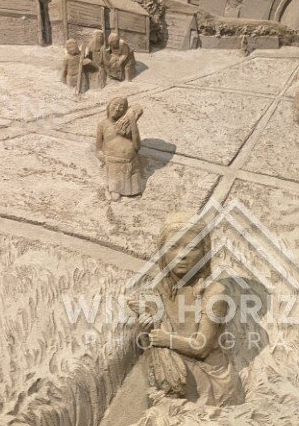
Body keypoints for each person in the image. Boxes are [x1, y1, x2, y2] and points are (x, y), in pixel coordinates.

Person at [137, 212, 245, 407]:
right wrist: (147, 327)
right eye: (173, 247)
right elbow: (153, 339)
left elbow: (201, 347)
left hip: (211, 386)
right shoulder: (160, 289)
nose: (182, 255)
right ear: (162, 252)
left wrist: (166, 339)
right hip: (173, 377)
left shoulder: (214, 293)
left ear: (204, 252)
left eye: (192, 247)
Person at [95, 96, 144, 201]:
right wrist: (104, 159)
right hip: (113, 163)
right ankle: (113, 189)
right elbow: (98, 149)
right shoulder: (103, 125)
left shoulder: (128, 126)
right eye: (115, 105)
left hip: (131, 163)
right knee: (115, 195)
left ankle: (128, 190)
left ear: (125, 110)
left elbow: (137, 146)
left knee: (135, 192)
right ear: (109, 106)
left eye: (121, 107)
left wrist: (132, 121)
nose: (117, 109)